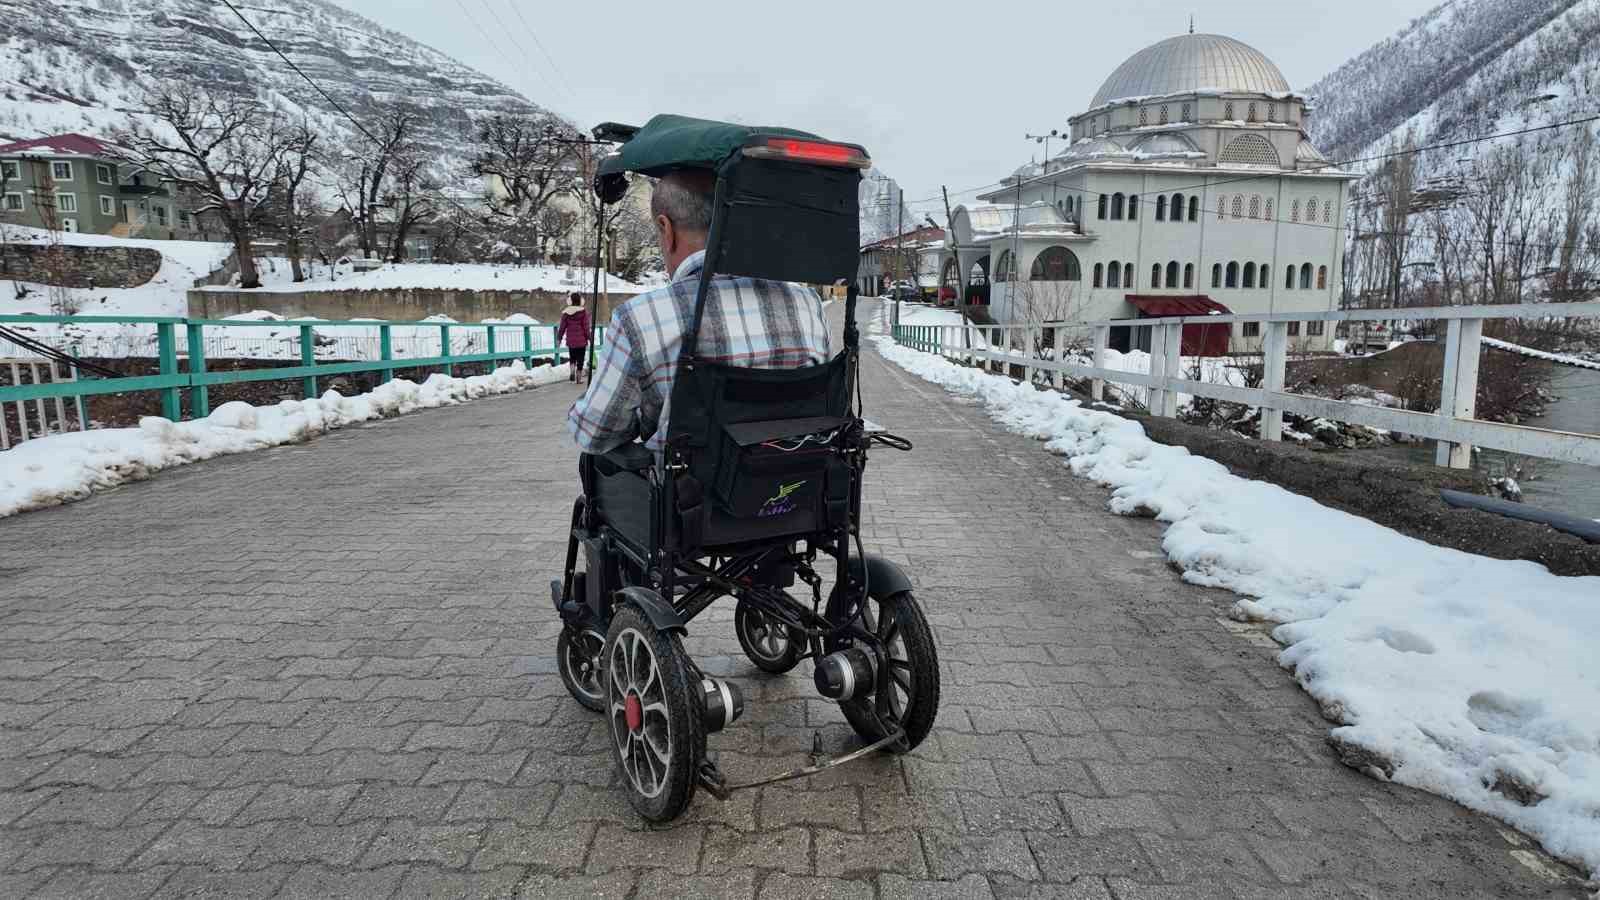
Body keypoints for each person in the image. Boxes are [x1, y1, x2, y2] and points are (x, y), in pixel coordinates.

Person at [567, 169, 831, 456]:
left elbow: (595, 434)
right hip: (799, 490)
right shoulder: (806, 303)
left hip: (690, 497)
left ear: (666, 229)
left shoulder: (640, 318)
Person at [555, 292, 591, 383]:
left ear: (570, 301)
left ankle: (571, 371)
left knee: (572, 357)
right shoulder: (583, 312)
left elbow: (562, 327)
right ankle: (578, 379)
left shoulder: (566, 313)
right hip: (581, 340)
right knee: (580, 359)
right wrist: (590, 337)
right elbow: (586, 327)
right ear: (580, 301)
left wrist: (559, 338)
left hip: (571, 340)